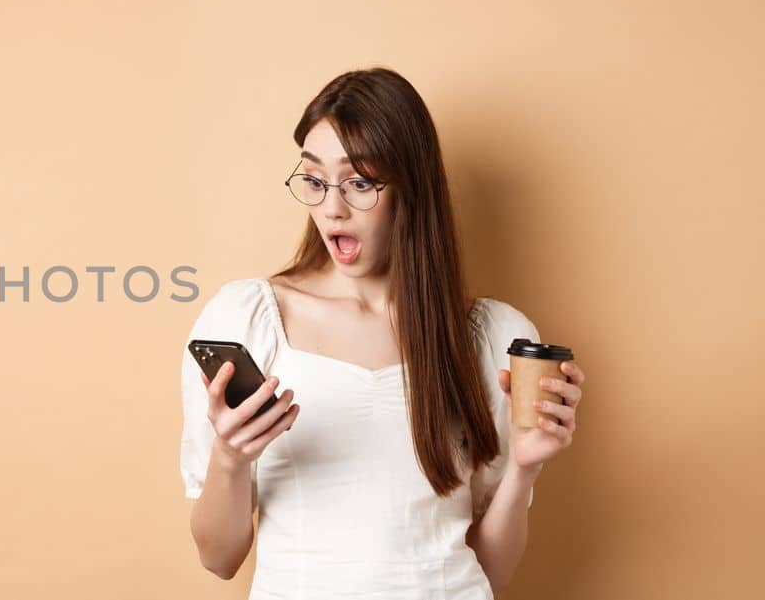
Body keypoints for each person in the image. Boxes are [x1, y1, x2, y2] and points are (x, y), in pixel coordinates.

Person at [179, 68, 587, 599]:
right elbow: (218, 557)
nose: (332, 208)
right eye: (315, 179)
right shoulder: (247, 318)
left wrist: (524, 471)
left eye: (360, 183)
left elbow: (488, 573)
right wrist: (230, 459)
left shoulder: (491, 337)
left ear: (411, 190)